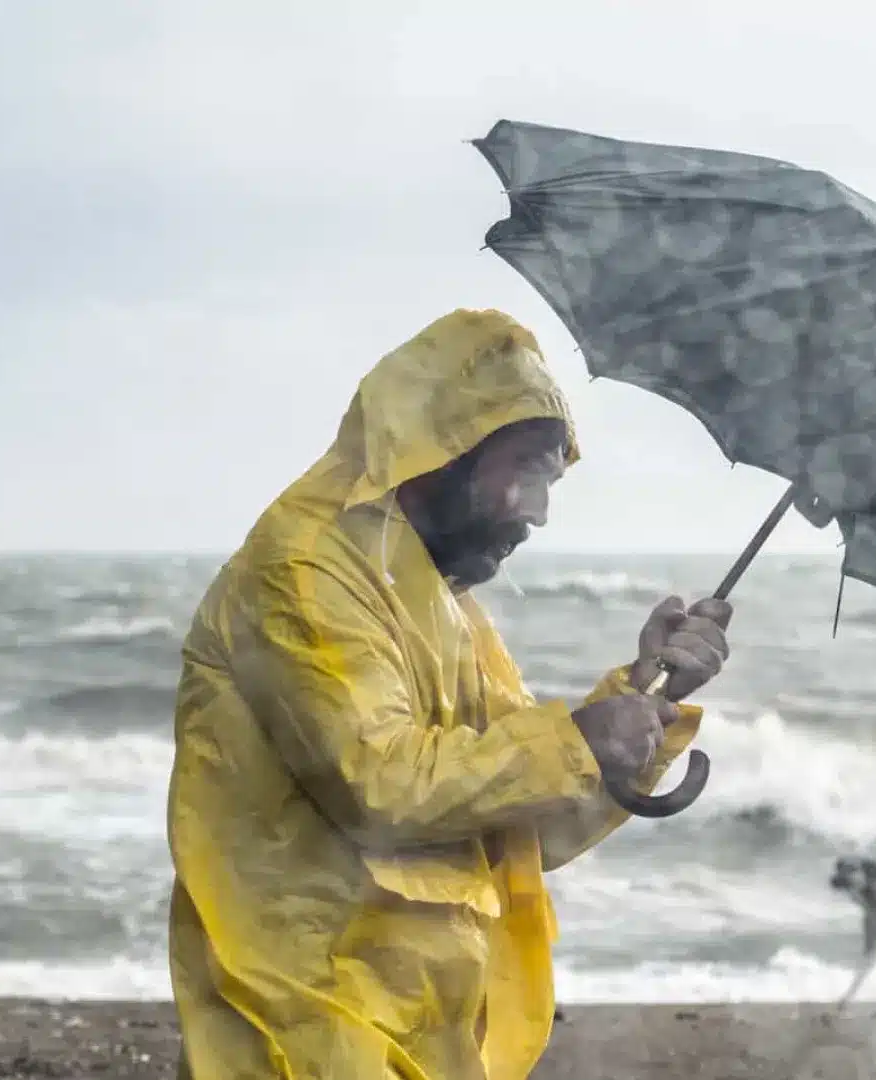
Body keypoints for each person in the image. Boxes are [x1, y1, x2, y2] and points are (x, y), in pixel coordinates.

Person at [165, 308, 732, 1080]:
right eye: (527, 470)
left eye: (551, 482)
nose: (537, 512)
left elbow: (523, 827)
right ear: (438, 447)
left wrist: (643, 700)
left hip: (421, 1026)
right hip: (307, 1017)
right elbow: (381, 786)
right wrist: (578, 741)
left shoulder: (443, 603)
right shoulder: (302, 573)